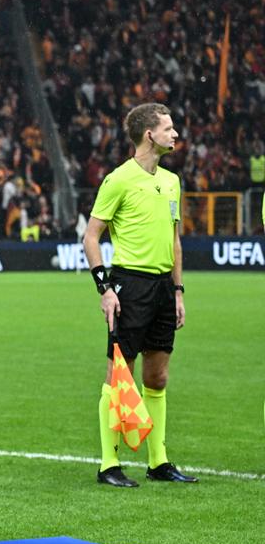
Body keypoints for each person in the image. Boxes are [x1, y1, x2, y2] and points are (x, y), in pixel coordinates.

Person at [83, 103, 194, 486]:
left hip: (164, 286)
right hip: (129, 284)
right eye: (169, 128)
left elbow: (175, 241)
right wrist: (105, 289)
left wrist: (178, 290)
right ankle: (108, 464)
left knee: (158, 375)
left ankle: (158, 461)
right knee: (119, 374)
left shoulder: (172, 181)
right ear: (150, 135)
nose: (175, 134)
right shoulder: (118, 180)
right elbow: (91, 237)